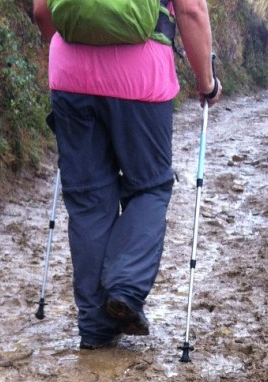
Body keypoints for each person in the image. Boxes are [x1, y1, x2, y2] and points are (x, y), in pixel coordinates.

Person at [32, 0, 222, 350]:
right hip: (142, 80)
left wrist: (74, 59)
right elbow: (192, 10)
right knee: (150, 187)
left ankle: (94, 326)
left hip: (70, 79)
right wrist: (206, 82)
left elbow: (42, 12)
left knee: (88, 203)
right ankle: (124, 289)